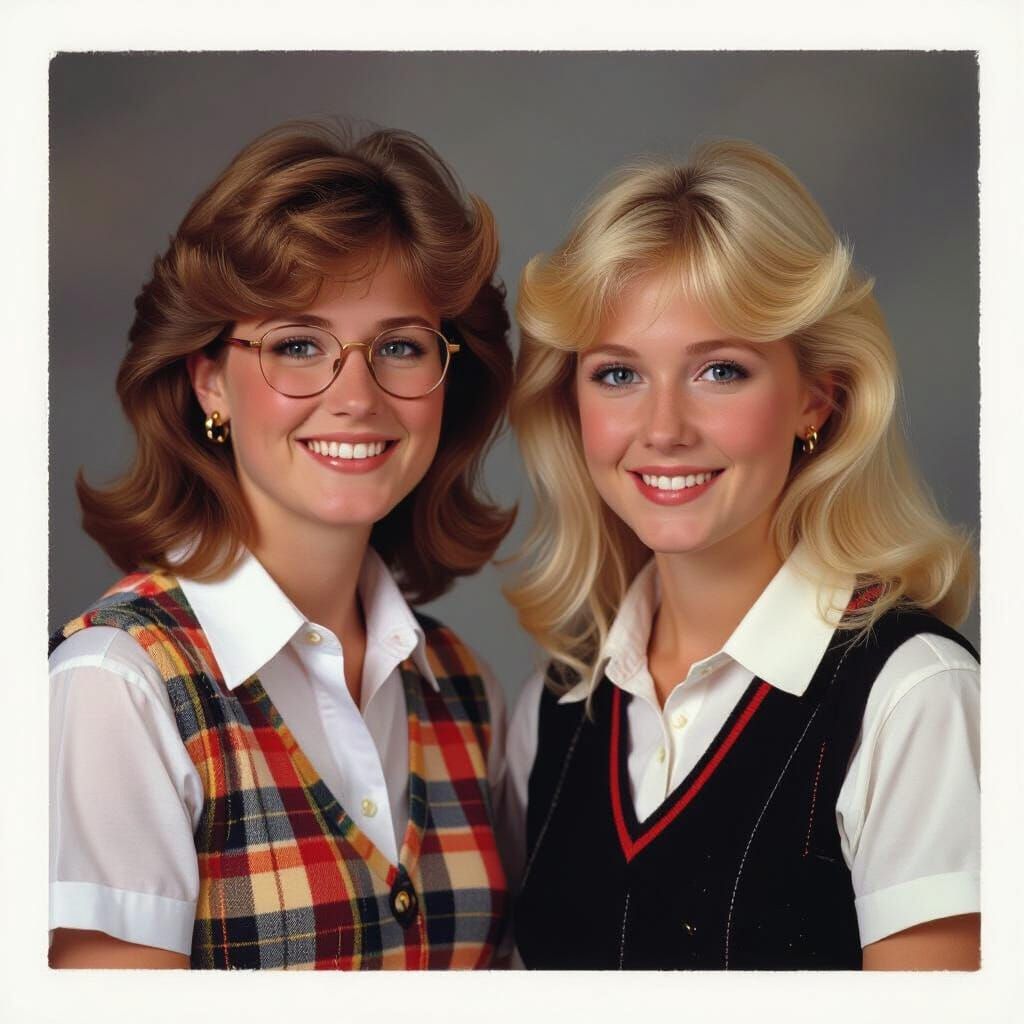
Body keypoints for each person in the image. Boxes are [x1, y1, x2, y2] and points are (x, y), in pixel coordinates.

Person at [503, 140, 980, 970]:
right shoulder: (552, 706)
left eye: (720, 370)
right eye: (617, 375)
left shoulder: (917, 702)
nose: (663, 428)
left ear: (817, 400)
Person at [49, 123, 514, 970]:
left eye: (400, 347)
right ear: (209, 380)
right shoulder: (118, 688)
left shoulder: (465, 691)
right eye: (298, 345)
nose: (357, 397)